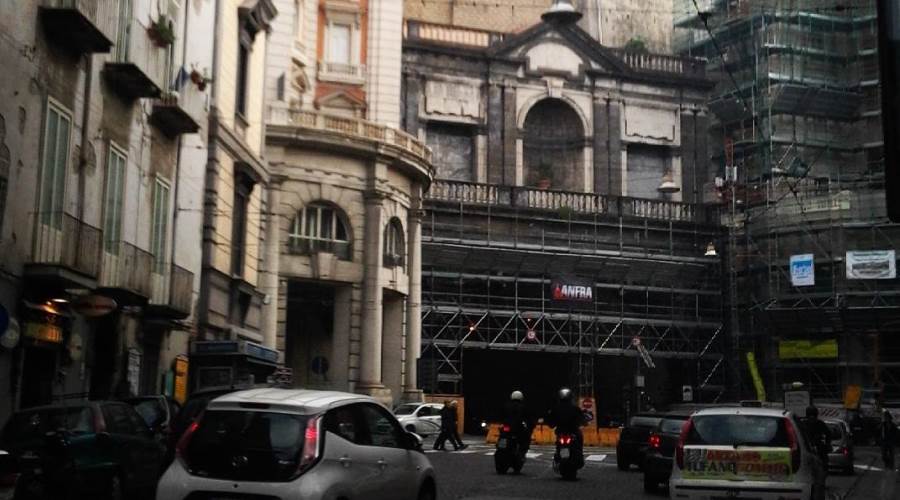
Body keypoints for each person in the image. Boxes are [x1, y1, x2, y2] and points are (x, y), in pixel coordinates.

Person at [545, 388, 587, 465]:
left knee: (559, 442)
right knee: (579, 437)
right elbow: (582, 420)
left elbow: (550, 422)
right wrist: (583, 423)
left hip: (561, 432)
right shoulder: (575, 408)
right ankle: (579, 454)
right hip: (572, 431)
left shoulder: (555, 409)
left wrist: (551, 424)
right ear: (571, 397)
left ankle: (559, 454)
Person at [503, 390, 533, 458]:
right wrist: (530, 428)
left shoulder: (506, 406)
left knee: (502, 436)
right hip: (518, 428)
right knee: (526, 439)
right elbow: (529, 419)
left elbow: (499, 416)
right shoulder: (524, 407)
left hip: (507, 428)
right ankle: (522, 453)